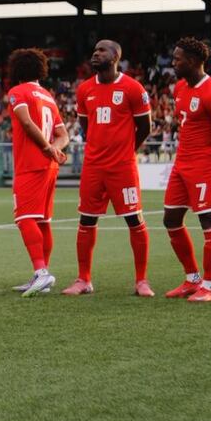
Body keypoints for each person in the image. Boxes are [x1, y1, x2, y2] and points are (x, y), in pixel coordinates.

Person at [63, 39, 154, 297]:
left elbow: (145, 127)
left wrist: (126, 150)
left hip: (122, 167)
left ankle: (141, 281)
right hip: (93, 167)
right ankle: (84, 280)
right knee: (86, 220)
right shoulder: (84, 90)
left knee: (134, 220)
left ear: (115, 57)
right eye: (94, 50)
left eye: (102, 50)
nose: (96, 53)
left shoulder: (133, 88)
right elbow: (85, 126)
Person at [161, 38, 211, 303]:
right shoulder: (180, 87)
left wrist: (205, 154)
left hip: (206, 165)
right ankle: (192, 279)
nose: (173, 62)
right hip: (181, 165)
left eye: (178, 58)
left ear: (192, 62)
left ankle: (209, 286)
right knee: (170, 219)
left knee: (207, 222)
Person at [6, 49, 69, 298]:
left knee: (24, 218)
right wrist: (55, 149)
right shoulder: (48, 97)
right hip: (49, 166)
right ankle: (42, 273)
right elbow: (63, 134)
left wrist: (45, 148)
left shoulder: (17, 92)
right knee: (42, 220)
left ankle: (42, 272)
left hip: (31, 163)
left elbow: (26, 122)